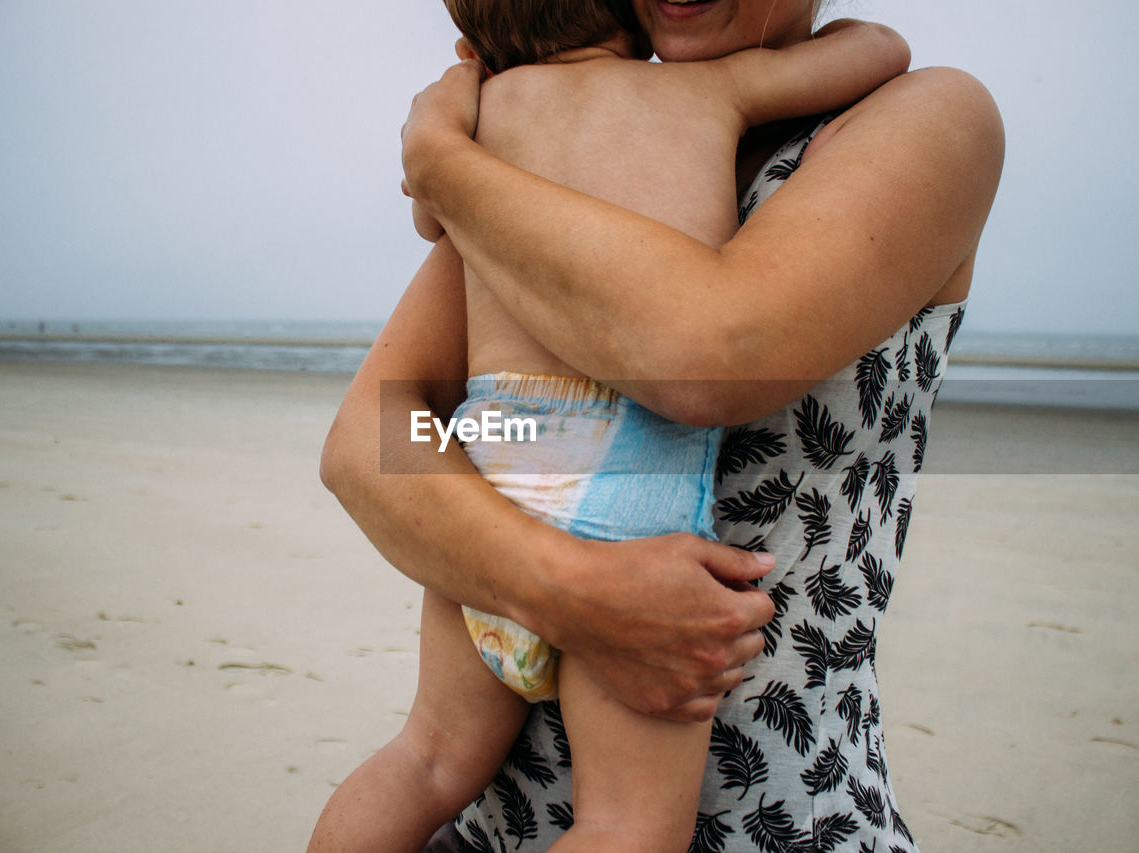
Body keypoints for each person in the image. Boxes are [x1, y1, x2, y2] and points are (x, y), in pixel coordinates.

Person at [319, 0, 1003, 850]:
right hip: (497, 826)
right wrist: (567, 586)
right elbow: (377, 440)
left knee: (420, 758)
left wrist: (442, 161)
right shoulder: (589, 142)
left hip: (779, 825)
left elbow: (706, 359)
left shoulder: (925, 118)